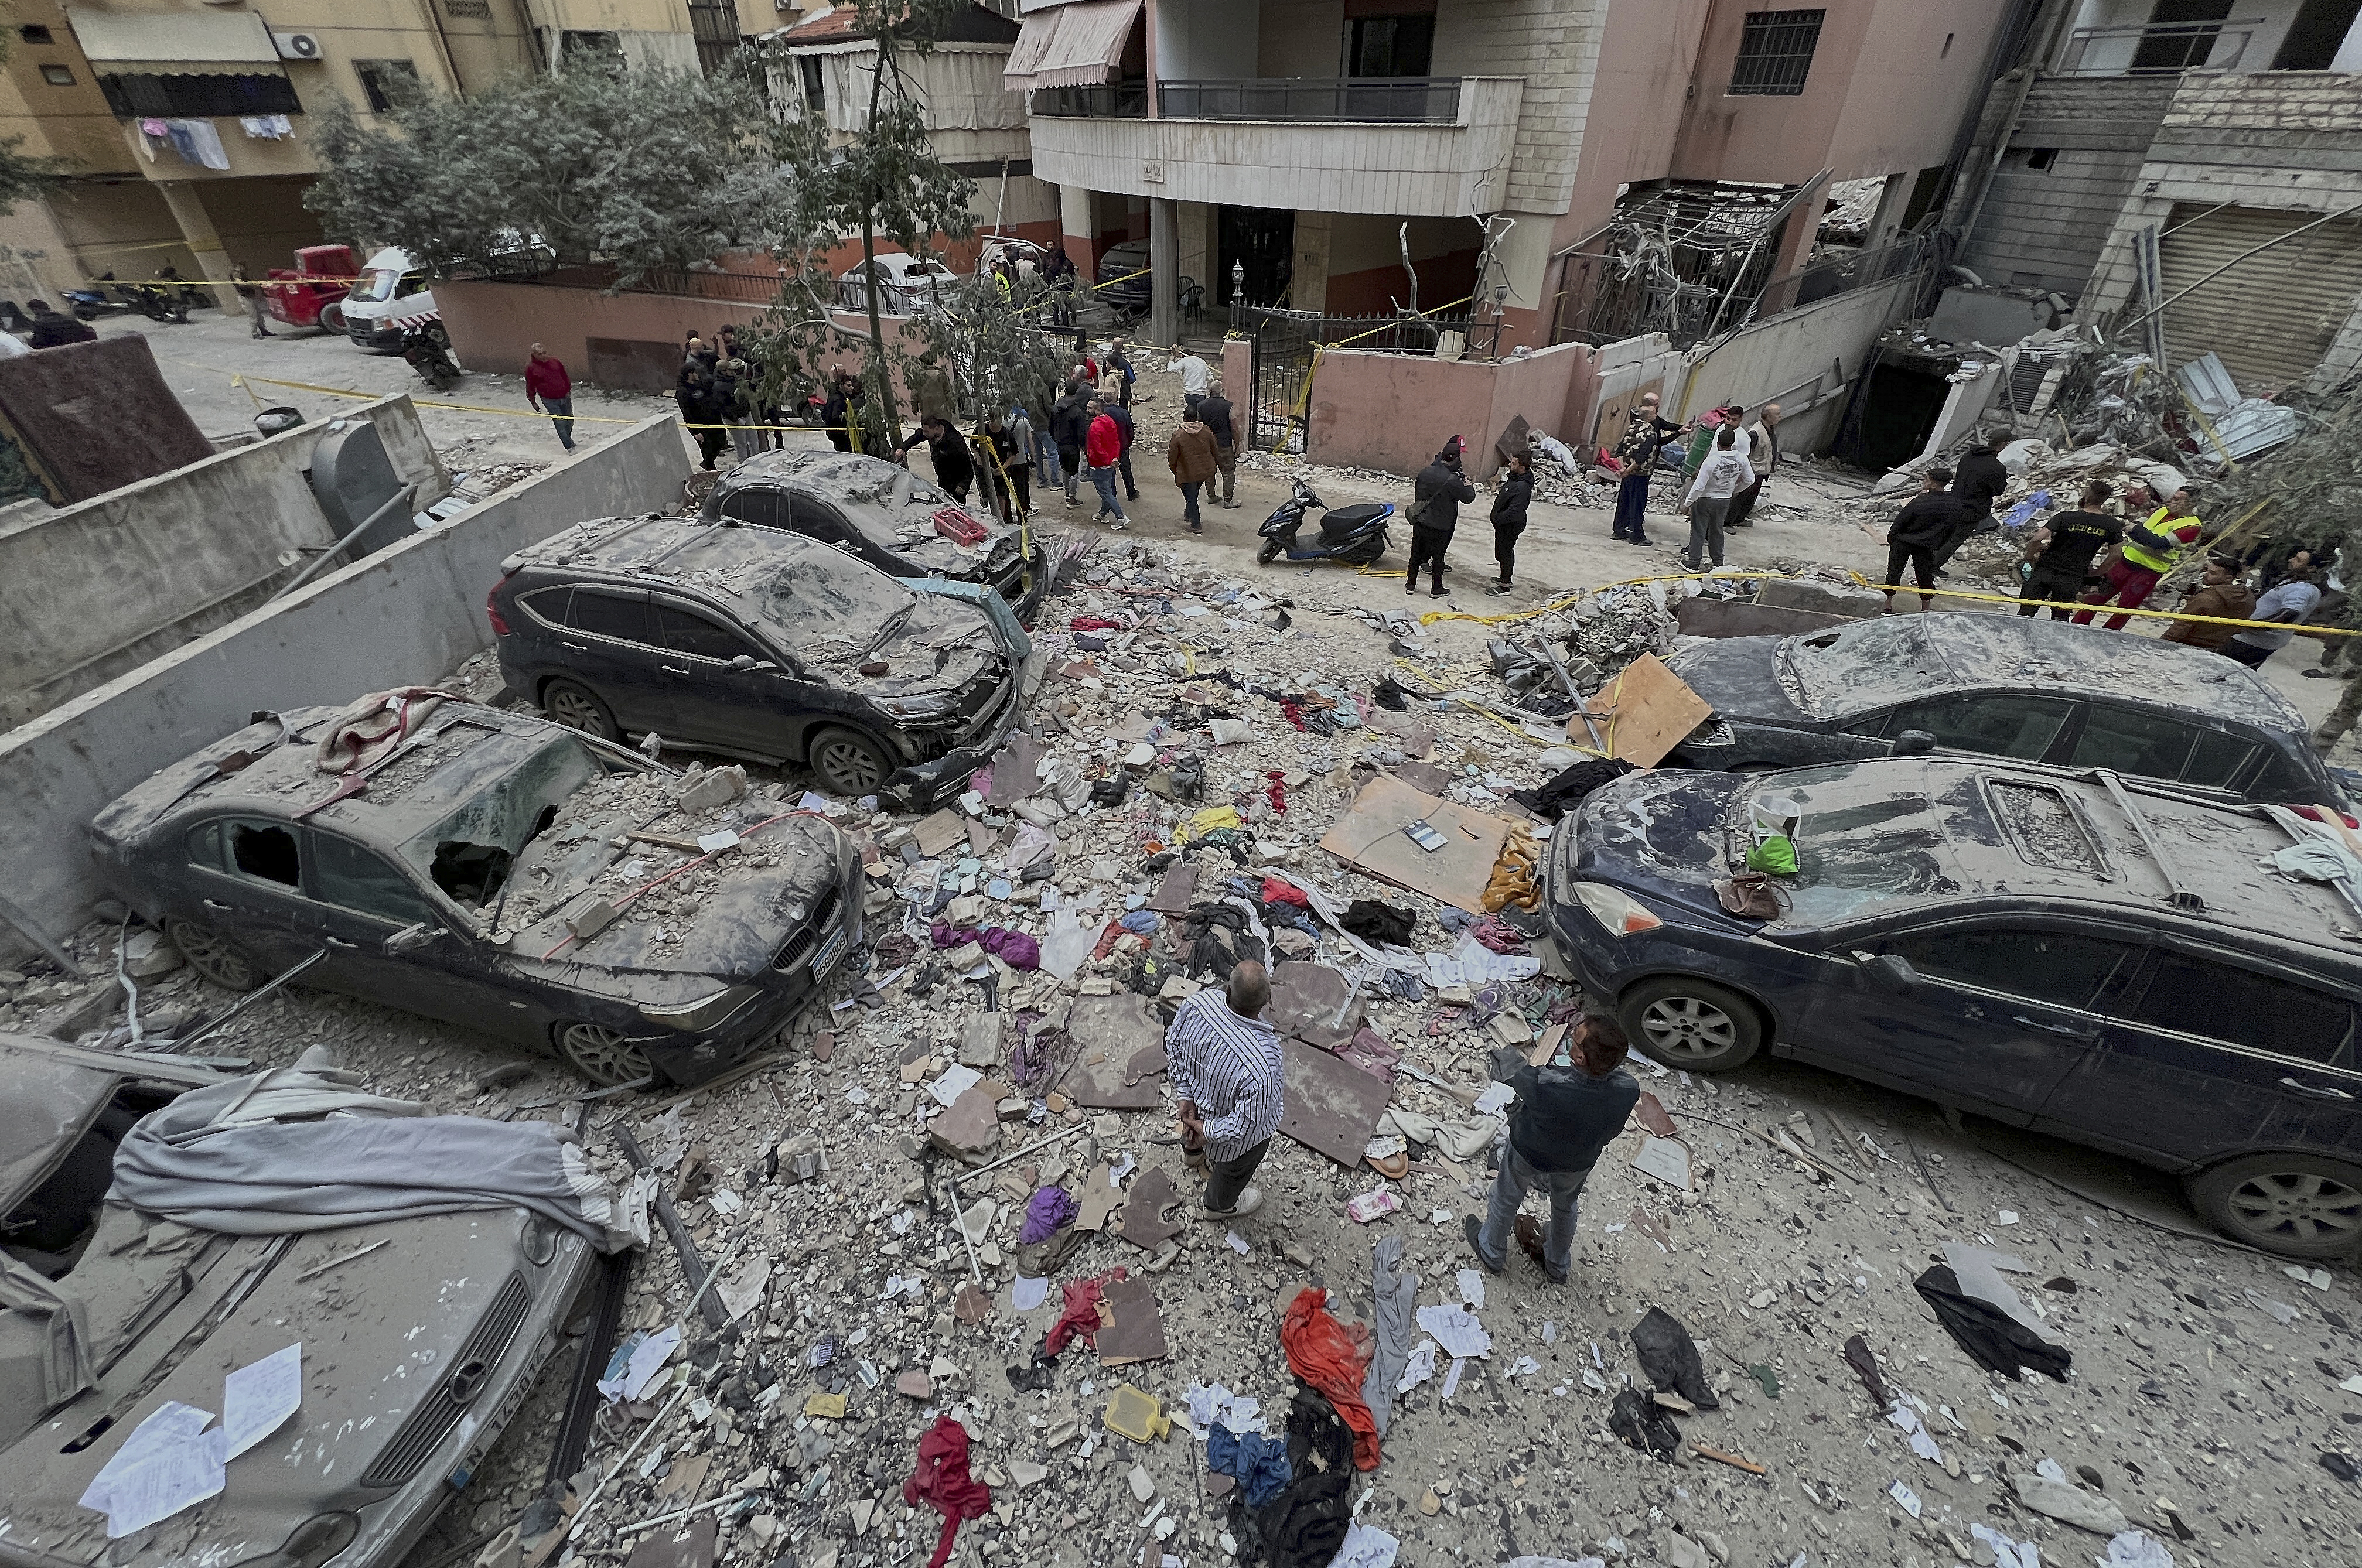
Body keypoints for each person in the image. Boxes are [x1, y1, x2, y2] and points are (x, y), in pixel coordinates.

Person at [1466, 1009, 1638, 1284]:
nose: (1571, 1035)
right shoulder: (1628, 1089)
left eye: (1576, 1038)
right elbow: (1611, 1132)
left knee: (1507, 1195)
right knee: (1565, 1206)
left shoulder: (1547, 1083)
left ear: (1580, 1058)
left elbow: (1511, 1073)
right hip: (1577, 1162)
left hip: (1530, 1151)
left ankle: (1492, 1250)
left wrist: (1503, 1054)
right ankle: (1557, 1264)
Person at [1167, 961, 1285, 1221]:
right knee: (1234, 1171)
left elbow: (1173, 1043)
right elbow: (1244, 1125)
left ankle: (1192, 1154)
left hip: (1195, 1106)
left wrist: (1185, 1094)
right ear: (1267, 1000)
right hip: (1227, 1143)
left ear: (1229, 992)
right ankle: (1217, 1206)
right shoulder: (1264, 1064)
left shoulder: (1199, 1004)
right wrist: (1208, 1133)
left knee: (1190, 1123)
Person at [2074, 486, 2206, 630]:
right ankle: (2077, 625)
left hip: (2148, 572)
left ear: (2190, 504)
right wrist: (2130, 526)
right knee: (2096, 597)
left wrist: (2133, 529)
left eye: (2176, 499)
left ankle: (2109, 634)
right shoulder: (2161, 511)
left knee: (2125, 608)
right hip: (2124, 563)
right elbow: (2140, 524)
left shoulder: (2192, 526)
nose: (2170, 501)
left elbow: (2159, 544)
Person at [2017, 481, 2119, 618]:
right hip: (2072, 578)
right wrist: (2097, 573)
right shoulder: (2112, 525)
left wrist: (2029, 558)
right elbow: (2117, 554)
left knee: (2026, 613)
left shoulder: (2066, 517)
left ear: (2087, 496)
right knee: (2060, 618)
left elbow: (2037, 539)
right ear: (2104, 500)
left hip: (2045, 570)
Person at [1884, 467, 1968, 612]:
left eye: (1926, 479)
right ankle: (1926, 608)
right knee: (1925, 576)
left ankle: (1888, 603)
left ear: (1934, 484)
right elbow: (1951, 529)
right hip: (1926, 546)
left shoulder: (1920, 501)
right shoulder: (1954, 504)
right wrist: (1938, 544)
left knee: (1894, 572)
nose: (1923, 482)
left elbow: (1900, 521)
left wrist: (1892, 538)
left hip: (1903, 542)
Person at [1405, 438, 1476, 597]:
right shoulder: (1452, 479)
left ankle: (1411, 584)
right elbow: (1468, 498)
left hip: (1421, 520)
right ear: (1457, 459)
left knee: (1416, 554)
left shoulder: (1425, 472)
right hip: (1441, 525)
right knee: (1438, 557)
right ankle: (1436, 588)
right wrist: (1468, 485)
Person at [1680, 424, 1755, 572]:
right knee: (1717, 530)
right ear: (1733, 443)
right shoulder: (1741, 459)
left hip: (1706, 499)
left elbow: (1699, 486)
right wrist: (1734, 490)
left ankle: (1694, 562)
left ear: (1718, 443)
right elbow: (1750, 480)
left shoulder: (1712, 460)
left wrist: (1688, 503)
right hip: (1724, 500)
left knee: (1698, 530)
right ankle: (1718, 562)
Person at [1934, 432, 2010, 575]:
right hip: (1973, 508)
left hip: (1953, 501)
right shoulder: (1996, 467)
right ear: (2002, 445)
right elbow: (1999, 490)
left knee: (1944, 533)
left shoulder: (1969, 456)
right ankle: (1933, 566)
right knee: (1955, 539)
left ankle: (1923, 561)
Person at [1610, 392, 1679, 546]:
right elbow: (1642, 457)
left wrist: (1623, 469)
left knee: (1624, 501)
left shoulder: (1631, 429)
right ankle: (1637, 535)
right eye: (1655, 413)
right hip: (1640, 475)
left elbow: (1619, 450)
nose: (1656, 415)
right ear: (1648, 416)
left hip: (1627, 473)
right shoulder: (1650, 434)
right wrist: (1629, 470)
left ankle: (1619, 530)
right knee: (1638, 504)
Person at [2228, 562, 2319, 669]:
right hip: (2252, 637)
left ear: (2312, 567)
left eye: (2299, 560)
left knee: (2233, 669)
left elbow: (2290, 613)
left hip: (2256, 640)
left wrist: (2253, 626)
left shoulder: (2302, 589)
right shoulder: (2294, 583)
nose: (2291, 560)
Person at [2161, 556, 2258, 655]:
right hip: (2215, 651)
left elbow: (2181, 627)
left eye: (2213, 573)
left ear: (2228, 578)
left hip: (2184, 647)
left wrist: (2160, 645)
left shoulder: (2206, 599)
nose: (2205, 575)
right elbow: (2238, 628)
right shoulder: (2249, 599)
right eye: (2207, 570)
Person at [1725, 402, 1780, 528]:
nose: (1779, 417)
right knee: (1741, 497)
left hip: (1761, 472)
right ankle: (1727, 522)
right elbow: (1747, 455)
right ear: (1767, 416)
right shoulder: (1755, 432)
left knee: (1750, 498)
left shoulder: (1770, 429)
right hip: (1753, 471)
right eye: (1776, 415)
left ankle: (1739, 519)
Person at [899, 414, 975, 503]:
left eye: (926, 432)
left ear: (936, 429)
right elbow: (918, 436)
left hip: (958, 481)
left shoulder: (955, 442)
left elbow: (969, 465)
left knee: (957, 507)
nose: (924, 434)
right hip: (943, 478)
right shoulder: (931, 433)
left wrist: (964, 485)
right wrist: (903, 448)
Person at [1167, 405, 1219, 532]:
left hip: (1187, 472)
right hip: (1204, 471)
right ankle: (1188, 514)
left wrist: (1175, 470)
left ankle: (1196, 525)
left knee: (1190, 497)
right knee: (1193, 494)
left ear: (1184, 418)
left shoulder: (1179, 435)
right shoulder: (1206, 430)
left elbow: (1172, 456)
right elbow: (1215, 449)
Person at [1488, 450, 1532, 595]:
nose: (1510, 465)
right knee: (1501, 552)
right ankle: (1504, 577)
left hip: (1510, 525)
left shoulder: (1522, 487)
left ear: (1522, 468)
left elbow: (1515, 511)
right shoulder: (1515, 479)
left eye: (1514, 463)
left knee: (1505, 552)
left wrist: (1498, 519)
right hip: (1504, 524)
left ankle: (1505, 586)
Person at [1084, 397, 1128, 528]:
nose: (1087, 410)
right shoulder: (1110, 421)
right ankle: (1103, 513)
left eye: (1090, 408)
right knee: (1107, 490)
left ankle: (1121, 517)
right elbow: (1116, 442)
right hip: (1110, 463)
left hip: (1099, 464)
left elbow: (1097, 449)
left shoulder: (1094, 426)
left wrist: (1107, 460)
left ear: (1097, 410)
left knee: (1105, 492)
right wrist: (1114, 459)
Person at [524, 343, 576, 452]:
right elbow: (530, 385)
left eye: (544, 353)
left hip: (565, 395)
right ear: (534, 355)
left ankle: (568, 438)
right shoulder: (531, 368)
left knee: (569, 419)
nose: (543, 356)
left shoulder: (555, 362)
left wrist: (568, 389)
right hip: (549, 400)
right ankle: (568, 446)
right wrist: (533, 401)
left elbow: (564, 375)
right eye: (540, 354)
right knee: (559, 422)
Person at [1199, 377, 1240, 507]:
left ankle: (1211, 496)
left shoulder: (1201, 406)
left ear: (1210, 391)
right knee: (1228, 471)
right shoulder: (1229, 406)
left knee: (1210, 471)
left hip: (1207, 445)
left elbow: (1199, 425)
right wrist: (1237, 445)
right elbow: (1234, 427)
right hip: (1224, 444)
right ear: (1222, 391)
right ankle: (1228, 500)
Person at [679, 367, 728, 469]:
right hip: (700, 425)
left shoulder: (698, 385)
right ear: (690, 374)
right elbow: (687, 413)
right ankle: (709, 467)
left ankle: (708, 464)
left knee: (721, 441)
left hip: (713, 420)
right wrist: (696, 431)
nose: (698, 375)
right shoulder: (683, 391)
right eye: (695, 373)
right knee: (708, 449)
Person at [1051, 384, 1091, 507]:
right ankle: (1072, 498)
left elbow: (1050, 427)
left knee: (1065, 469)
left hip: (1060, 444)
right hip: (1072, 445)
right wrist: (1083, 446)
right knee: (1074, 472)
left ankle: (1067, 492)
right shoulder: (1077, 411)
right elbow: (1081, 432)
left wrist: (1056, 439)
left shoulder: (1055, 408)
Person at [718, 358, 762, 465]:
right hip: (734, 419)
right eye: (730, 370)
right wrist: (735, 419)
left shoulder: (736, 381)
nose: (733, 372)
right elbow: (723, 407)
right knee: (741, 444)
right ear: (724, 371)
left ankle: (758, 461)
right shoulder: (719, 386)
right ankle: (744, 465)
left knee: (754, 439)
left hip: (746, 414)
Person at [1004, 404, 1036, 518]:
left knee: (1005, 490)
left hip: (1004, 462)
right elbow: (1030, 442)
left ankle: (1007, 515)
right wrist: (1033, 458)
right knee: (1021, 490)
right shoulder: (1023, 420)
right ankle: (1022, 514)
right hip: (1021, 460)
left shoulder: (1001, 421)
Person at [23, 300, 95, 348]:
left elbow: (38, 343)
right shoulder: (71, 320)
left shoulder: (40, 324)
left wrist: (29, 341)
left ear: (35, 310)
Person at [1108, 397, 1139, 500]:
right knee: (1126, 471)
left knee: (1110, 472)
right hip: (1122, 446)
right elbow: (1131, 430)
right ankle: (1131, 493)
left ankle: (1112, 495)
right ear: (1116, 398)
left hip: (1109, 447)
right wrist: (1127, 444)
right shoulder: (1124, 413)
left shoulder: (1103, 413)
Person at [232, 265, 273, 340]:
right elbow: (241, 284)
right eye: (244, 268)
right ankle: (255, 333)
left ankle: (264, 330)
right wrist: (255, 283)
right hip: (246, 298)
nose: (245, 270)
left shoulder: (242, 275)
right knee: (253, 316)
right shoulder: (235, 275)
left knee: (259, 315)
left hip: (251, 297)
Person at [1044, 242, 1077, 326]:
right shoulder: (1063, 267)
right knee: (1064, 308)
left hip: (1055, 292)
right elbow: (1071, 277)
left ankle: (1057, 325)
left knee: (1056, 309)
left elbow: (1046, 278)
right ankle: (1066, 325)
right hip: (1065, 291)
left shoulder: (1054, 268)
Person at [821, 368, 853, 453]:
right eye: (849, 386)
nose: (852, 388)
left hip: (836, 433)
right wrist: (844, 429)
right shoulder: (839, 400)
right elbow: (835, 417)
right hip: (840, 434)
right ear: (842, 386)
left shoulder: (835, 395)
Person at [1172, 349, 1210, 417]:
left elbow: (1171, 368)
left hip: (1189, 393)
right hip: (1201, 394)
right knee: (1200, 413)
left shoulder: (1184, 361)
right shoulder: (1202, 362)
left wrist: (1172, 359)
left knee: (1191, 413)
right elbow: (1210, 377)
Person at [1108, 336, 1136, 406]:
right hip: (1123, 395)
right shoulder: (1125, 364)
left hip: (1109, 395)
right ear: (1122, 348)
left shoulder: (1107, 361)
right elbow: (1132, 379)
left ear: (1113, 348)